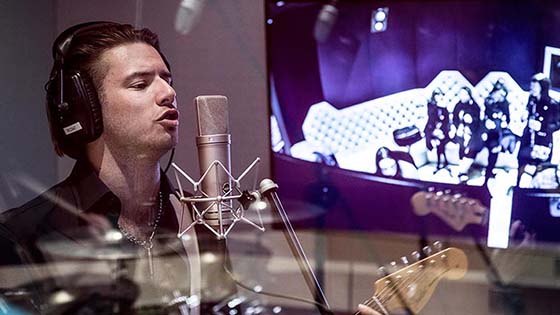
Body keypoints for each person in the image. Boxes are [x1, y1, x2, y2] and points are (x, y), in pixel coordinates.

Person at [0, 22, 216, 314]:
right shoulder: (21, 236)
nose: (168, 93)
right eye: (140, 84)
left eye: (168, 79)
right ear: (84, 108)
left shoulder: (204, 220)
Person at [517, 73, 559, 183]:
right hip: (528, 139)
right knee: (521, 162)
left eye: (535, 87)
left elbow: (557, 124)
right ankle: (519, 187)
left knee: (540, 168)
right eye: (532, 87)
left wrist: (543, 127)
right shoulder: (531, 101)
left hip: (542, 142)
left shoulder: (552, 104)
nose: (532, 89)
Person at [483, 80, 514, 184]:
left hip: (500, 130)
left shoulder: (504, 103)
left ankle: (490, 171)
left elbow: (508, 118)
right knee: (493, 149)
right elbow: (485, 116)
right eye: (499, 93)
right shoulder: (488, 101)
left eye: (503, 95)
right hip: (490, 131)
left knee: (496, 150)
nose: (500, 96)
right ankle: (488, 174)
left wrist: (504, 121)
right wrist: (489, 121)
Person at [451, 86, 484, 180]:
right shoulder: (458, 105)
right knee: (461, 147)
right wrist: (456, 127)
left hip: (473, 132)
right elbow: (454, 120)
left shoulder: (474, 106)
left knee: (473, 148)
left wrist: (471, 120)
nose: (462, 96)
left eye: (465, 94)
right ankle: (463, 170)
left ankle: (462, 171)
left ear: (469, 95)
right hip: (460, 132)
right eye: (461, 94)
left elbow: (478, 121)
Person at [424, 88, 451, 173]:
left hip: (442, 130)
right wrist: (439, 106)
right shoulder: (431, 105)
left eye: (440, 95)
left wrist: (443, 108)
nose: (438, 97)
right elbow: (431, 118)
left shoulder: (444, 106)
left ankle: (440, 163)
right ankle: (443, 162)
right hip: (431, 129)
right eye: (437, 95)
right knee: (438, 141)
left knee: (440, 142)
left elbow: (446, 121)